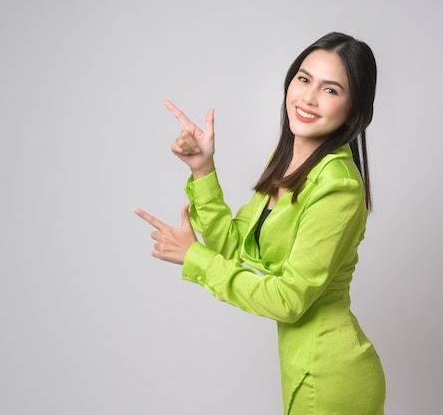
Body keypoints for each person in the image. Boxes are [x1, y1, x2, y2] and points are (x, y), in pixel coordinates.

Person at [135, 31, 386, 415]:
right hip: (304, 367)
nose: (308, 97)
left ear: (353, 110)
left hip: (331, 375)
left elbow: (288, 300)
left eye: (331, 90)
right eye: (303, 79)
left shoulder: (339, 188)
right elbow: (235, 247)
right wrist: (203, 169)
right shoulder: (290, 162)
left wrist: (196, 259)